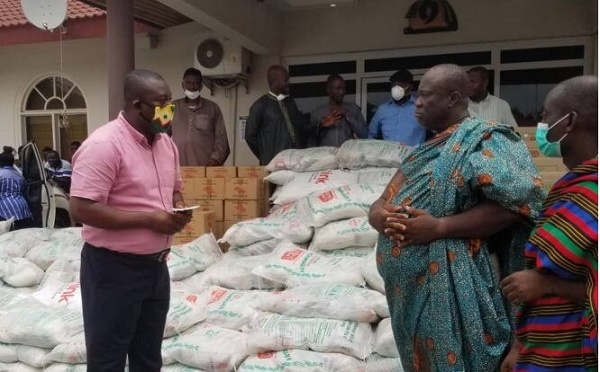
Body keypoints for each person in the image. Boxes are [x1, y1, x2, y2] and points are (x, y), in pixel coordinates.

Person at [368, 64, 545, 371]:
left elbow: (518, 204)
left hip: (456, 286)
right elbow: (381, 200)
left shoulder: (487, 140)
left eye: (425, 96)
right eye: (417, 96)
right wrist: (381, 217)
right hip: (408, 298)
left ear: (452, 99)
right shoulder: (423, 151)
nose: (417, 103)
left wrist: (439, 227)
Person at [69, 69, 192, 372]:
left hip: (155, 268)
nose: (168, 112)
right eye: (161, 104)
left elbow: (174, 191)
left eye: (170, 104)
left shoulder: (166, 145)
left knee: (148, 358)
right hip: (113, 271)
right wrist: (149, 221)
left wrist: (178, 209)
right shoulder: (104, 145)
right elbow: (82, 208)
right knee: (108, 360)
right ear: (137, 105)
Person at [500, 76, 598, 371]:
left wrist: (548, 284)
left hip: (576, 356)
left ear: (569, 121)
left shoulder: (593, 193)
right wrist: (520, 345)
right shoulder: (572, 187)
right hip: (543, 350)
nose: (541, 126)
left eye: (545, 117)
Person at [245, 65, 308, 165]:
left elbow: (301, 127)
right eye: (285, 80)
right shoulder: (260, 105)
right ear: (275, 81)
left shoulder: (290, 103)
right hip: (273, 163)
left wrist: (320, 124)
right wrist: (265, 154)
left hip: (295, 161)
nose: (288, 83)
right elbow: (250, 136)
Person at [170, 68, 230, 166]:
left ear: (201, 86)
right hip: (178, 168)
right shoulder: (171, 107)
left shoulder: (213, 107)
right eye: (188, 82)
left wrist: (216, 159)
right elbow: (158, 134)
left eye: (195, 83)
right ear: (183, 85)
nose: (192, 86)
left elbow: (222, 139)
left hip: (206, 168)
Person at [368, 69, 426, 146]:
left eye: (401, 85)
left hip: (414, 156)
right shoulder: (383, 110)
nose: (396, 89)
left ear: (410, 87)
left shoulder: (421, 107)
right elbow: (371, 135)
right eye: (394, 85)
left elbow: (436, 133)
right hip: (388, 156)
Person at [310, 74, 367, 147]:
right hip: (325, 156)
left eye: (344, 88)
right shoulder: (317, 112)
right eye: (338, 88)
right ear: (328, 90)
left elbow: (364, 134)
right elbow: (311, 140)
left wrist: (347, 114)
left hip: (347, 155)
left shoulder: (353, 109)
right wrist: (321, 126)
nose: (342, 92)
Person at [0, 147, 33, 230]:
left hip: (6, 211)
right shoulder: (19, 175)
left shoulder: (1, 174)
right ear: (12, 162)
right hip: (23, 209)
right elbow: (24, 192)